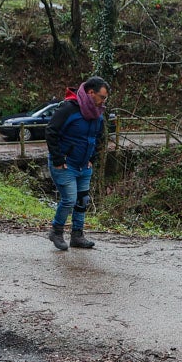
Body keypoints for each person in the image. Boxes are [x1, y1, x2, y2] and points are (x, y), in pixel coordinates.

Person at [45, 77, 109, 251]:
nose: (104, 101)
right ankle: (56, 231)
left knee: (82, 200)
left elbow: (98, 138)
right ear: (90, 92)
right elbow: (51, 132)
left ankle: (77, 235)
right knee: (69, 199)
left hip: (84, 166)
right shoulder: (68, 109)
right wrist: (58, 160)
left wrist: (92, 158)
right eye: (102, 97)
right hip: (65, 164)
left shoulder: (98, 114)